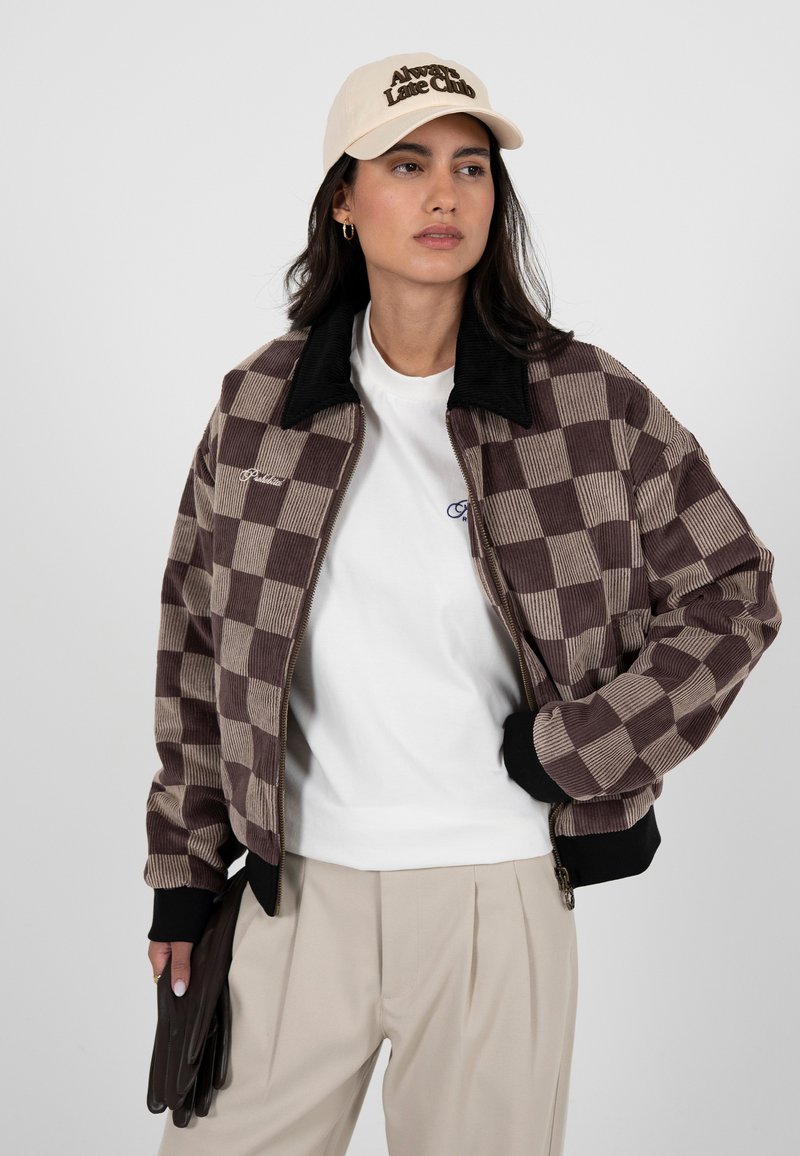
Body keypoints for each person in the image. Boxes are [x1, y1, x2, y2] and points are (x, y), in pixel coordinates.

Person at [143, 51, 782, 1156]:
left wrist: (580, 750)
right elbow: (197, 650)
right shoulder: (260, 407)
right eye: (407, 164)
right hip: (296, 898)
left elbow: (733, 591)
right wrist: (183, 880)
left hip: (496, 894)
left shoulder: (584, 403)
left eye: (470, 166)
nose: (444, 193)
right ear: (344, 201)